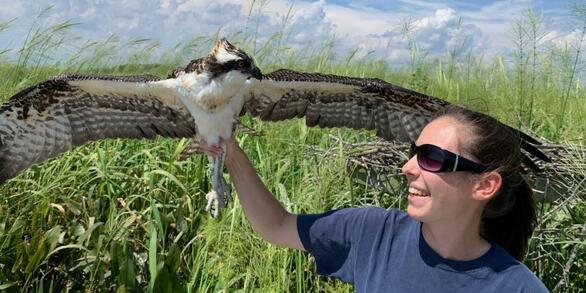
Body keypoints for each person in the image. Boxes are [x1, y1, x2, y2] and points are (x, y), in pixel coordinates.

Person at [199, 105, 549, 292]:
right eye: (413, 152)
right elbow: (277, 226)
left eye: (432, 158)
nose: (407, 167)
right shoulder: (373, 233)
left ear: (484, 186)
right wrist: (231, 153)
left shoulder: (515, 287)